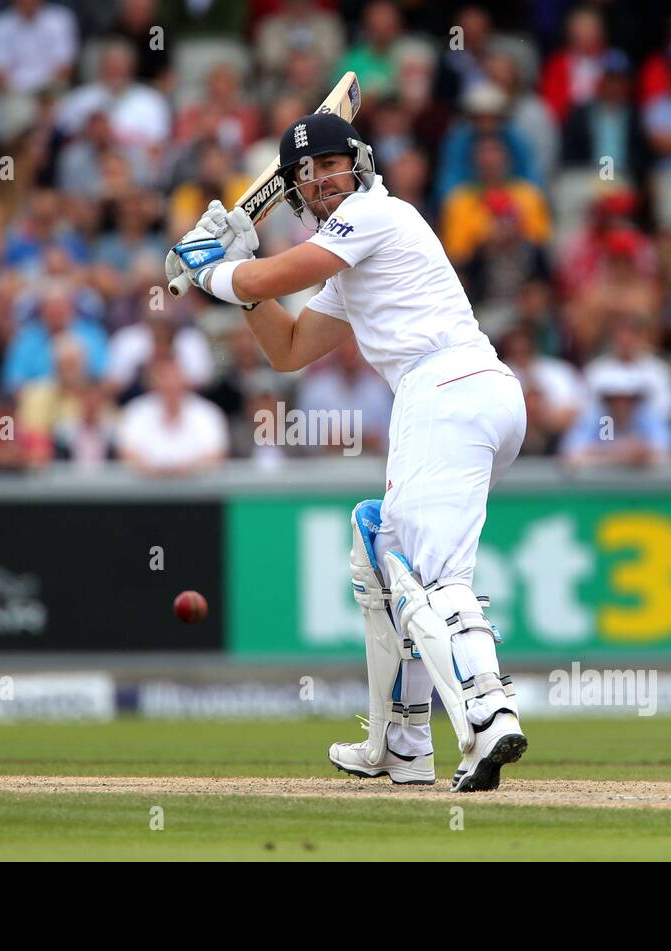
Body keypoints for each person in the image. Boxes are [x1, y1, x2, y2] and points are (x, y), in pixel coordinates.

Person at [168, 113, 527, 792]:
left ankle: (488, 712)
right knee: (378, 546)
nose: (322, 179)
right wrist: (238, 277)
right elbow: (290, 348)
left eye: (331, 164)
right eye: (307, 172)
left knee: (430, 574)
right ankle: (402, 740)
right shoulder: (352, 258)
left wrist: (215, 268)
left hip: (444, 389)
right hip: (476, 398)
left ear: (356, 164)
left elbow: (270, 276)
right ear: (297, 188)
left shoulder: (375, 213)